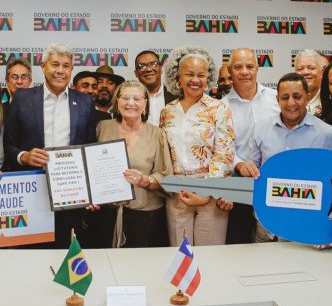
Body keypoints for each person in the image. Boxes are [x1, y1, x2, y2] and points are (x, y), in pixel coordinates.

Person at [3, 43, 97, 248]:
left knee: (66, 253)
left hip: (71, 195)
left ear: (72, 70)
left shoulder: (85, 102)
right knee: (30, 254)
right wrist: (24, 156)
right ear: (43, 65)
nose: (60, 71)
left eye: (66, 65)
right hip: (30, 192)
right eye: (55, 64)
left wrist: (93, 191)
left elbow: (91, 149)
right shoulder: (22, 98)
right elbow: (8, 145)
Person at [235, 73, 332, 242]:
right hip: (266, 228)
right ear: (277, 99)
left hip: (305, 230)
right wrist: (248, 168)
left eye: (297, 96)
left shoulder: (326, 134)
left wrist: (325, 229)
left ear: (308, 96)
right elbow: (253, 170)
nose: (291, 103)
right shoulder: (261, 129)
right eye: (285, 97)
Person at [159, 46, 236, 246]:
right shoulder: (167, 111)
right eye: (190, 74)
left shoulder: (219, 108)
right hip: (177, 195)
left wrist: (205, 192)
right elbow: (164, 154)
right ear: (178, 77)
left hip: (210, 194)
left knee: (210, 258)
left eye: (201, 75)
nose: (196, 80)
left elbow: (225, 153)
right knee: (180, 258)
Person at [93, 80, 172, 248]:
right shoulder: (102, 128)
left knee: (138, 268)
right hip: (106, 215)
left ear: (145, 104)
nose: (130, 103)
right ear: (116, 102)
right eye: (125, 98)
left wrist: (146, 181)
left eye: (137, 98)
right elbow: (90, 166)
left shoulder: (157, 134)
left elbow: (164, 173)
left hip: (145, 216)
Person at [222, 48, 279, 244]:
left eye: (249, 66)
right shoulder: (220, 107)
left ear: (257, 68)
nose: (244, 71)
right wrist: (238, 164)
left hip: (274, 182)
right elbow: (222, 146)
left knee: (274, 242)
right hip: (240, 182)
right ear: (229, 70)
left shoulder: (277, 98)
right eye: (238, 67)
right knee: (238, 242)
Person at [134, 49, 176, 125]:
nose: (149, 69)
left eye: (154, 64)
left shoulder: (177, 97)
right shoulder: (129, 100)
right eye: (142, 66)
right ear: (136, 73)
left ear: (161, 69)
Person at [294, 49, 327, 115]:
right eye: (300, 69)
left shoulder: (330, 98)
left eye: (311, 68)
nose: (305, 72)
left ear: (322, 72)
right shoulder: (288, 99)